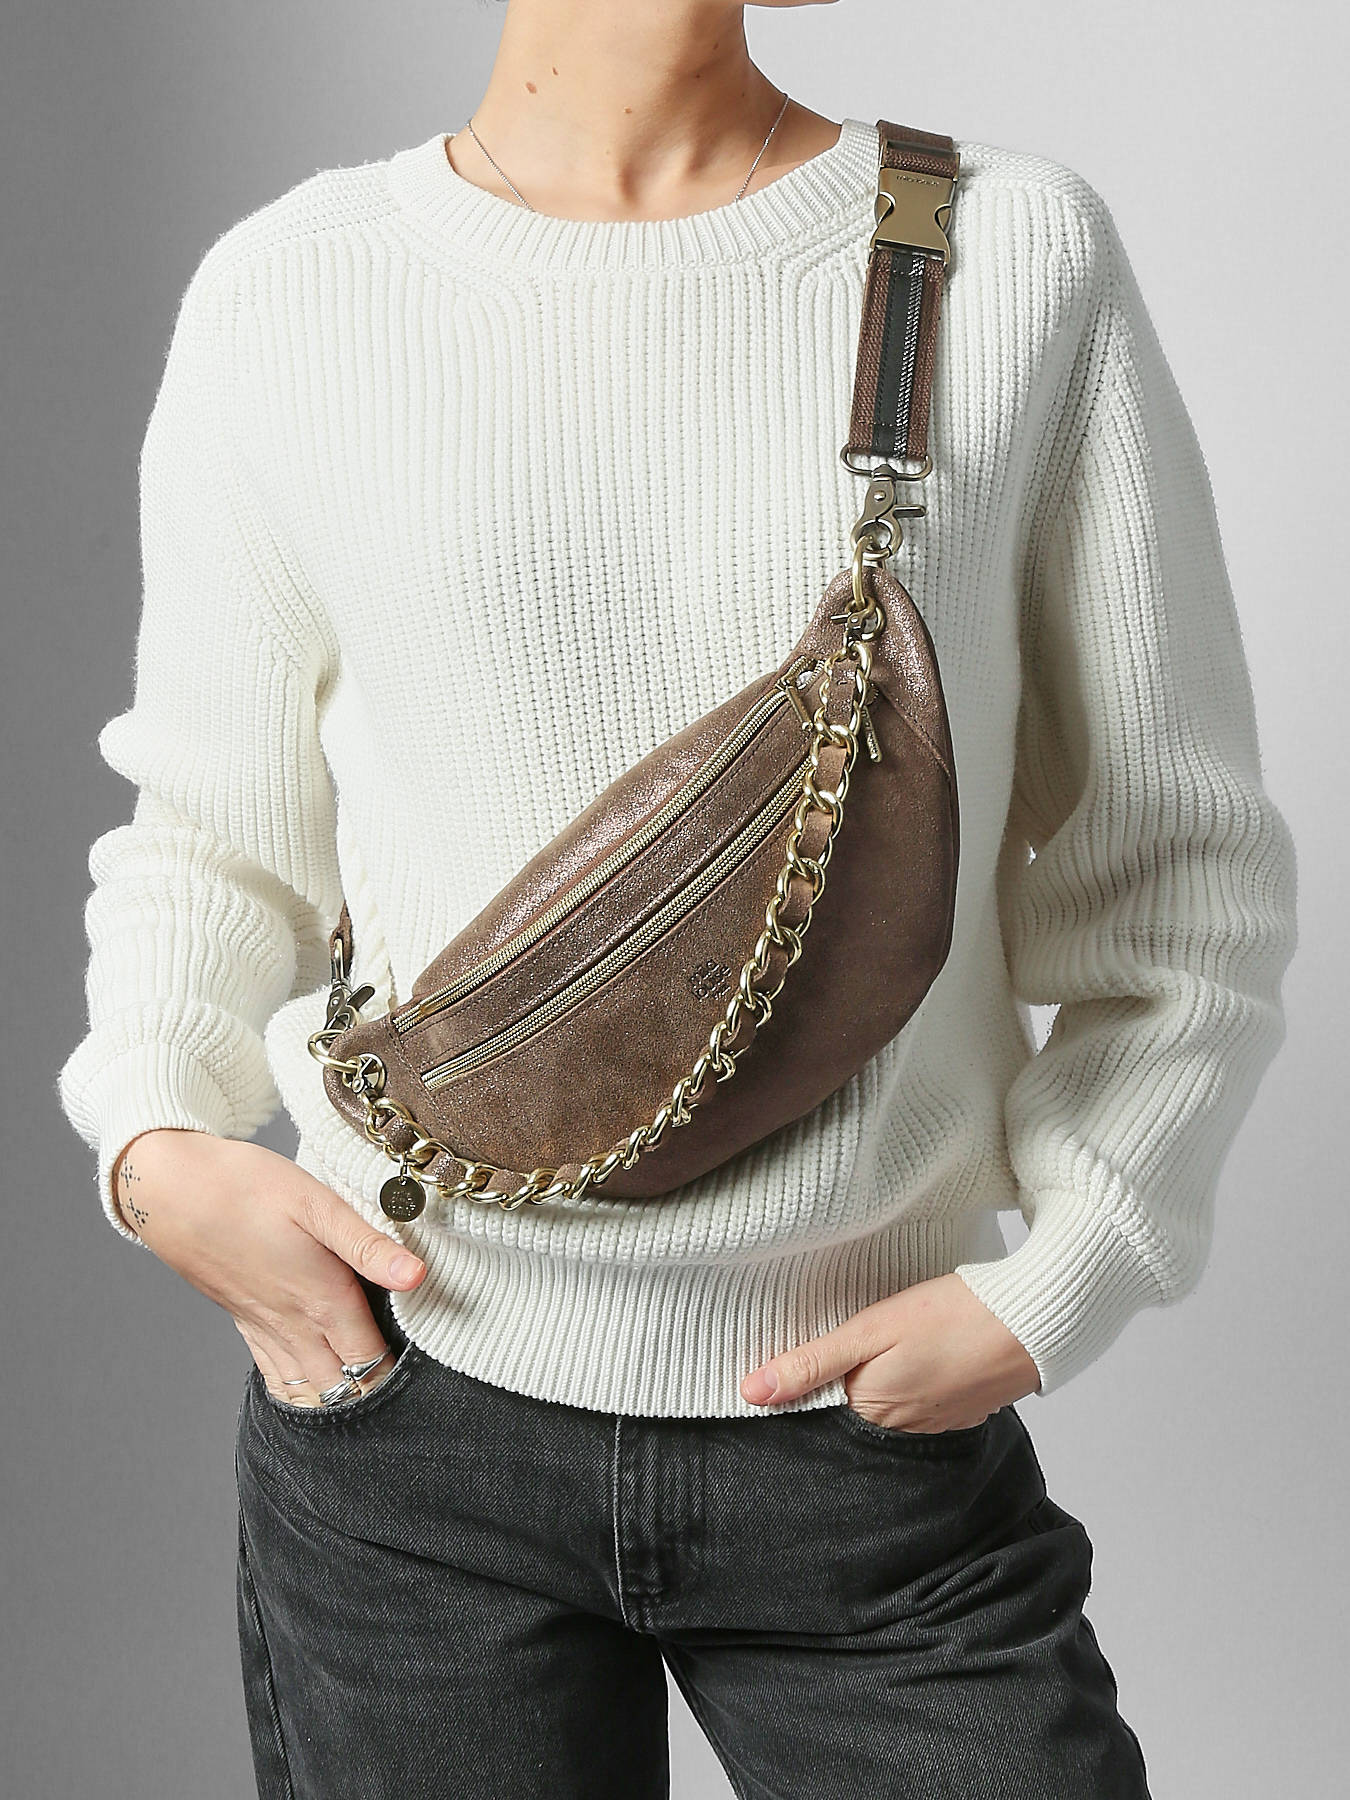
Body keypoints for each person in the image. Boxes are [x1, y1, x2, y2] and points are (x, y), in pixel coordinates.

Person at [56, 2, 1299, 1795]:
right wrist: (154, 1143)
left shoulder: (1000, 253)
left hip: (861, 1451)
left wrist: (1071, 1268)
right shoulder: (295, 287)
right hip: (406, 1421)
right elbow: (209, 831)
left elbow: (1174, 861)